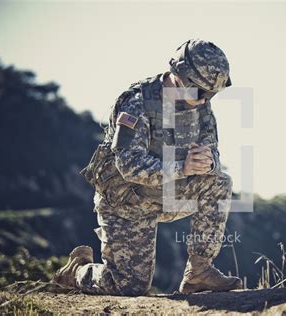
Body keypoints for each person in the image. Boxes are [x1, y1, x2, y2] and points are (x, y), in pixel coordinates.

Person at [52, 39, 242, 296]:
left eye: (212, 94)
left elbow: (213, 150)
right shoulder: (137, 103)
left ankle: (199, 272)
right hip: (126, 202)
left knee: (219, 182)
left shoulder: (201, 106)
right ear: (180, 76)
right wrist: (183, 167)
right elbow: (129, 166)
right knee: (129, 286)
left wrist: (209, 161)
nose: (204, 100)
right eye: (199, 92)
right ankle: (78, 270)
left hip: (166, 192)